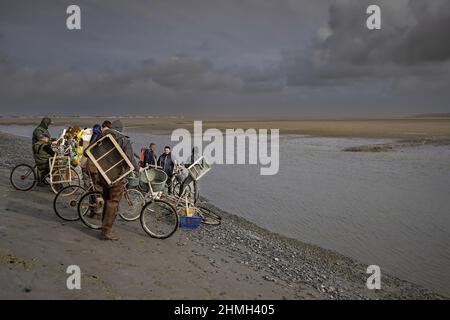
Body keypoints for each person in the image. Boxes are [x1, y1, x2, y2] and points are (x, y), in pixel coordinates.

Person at [96, 119, 143, 240]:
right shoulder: (123, 140)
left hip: (103, 174)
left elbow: (88, 152)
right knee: (113, 202)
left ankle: (103, 227)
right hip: (117, 175)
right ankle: (106, 232)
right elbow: (130, 159)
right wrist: (138, 169)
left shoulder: (101, 137)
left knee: (107, 200)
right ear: (121, 129)